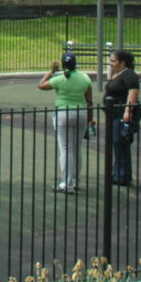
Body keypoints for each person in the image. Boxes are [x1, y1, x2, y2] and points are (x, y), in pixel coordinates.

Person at [38, 51, 94, 193]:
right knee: (77, 148)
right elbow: (89, 101)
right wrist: (90, 119)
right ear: (76, 64)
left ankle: (66, 183)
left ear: (63, 65)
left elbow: (41, 85)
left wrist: (51, 71)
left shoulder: (59, 78)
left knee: (65, 149)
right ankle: (75, 181)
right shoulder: (85, 78)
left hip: (63, 113)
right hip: (81, 113)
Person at [104, 48, 141, 186]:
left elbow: (133, 93)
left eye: (113, 61)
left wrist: (128, 111)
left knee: (121, 143)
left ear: (122, 62)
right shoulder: (119, 74)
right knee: (117, 144)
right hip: (114, 114)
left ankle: (122, 175)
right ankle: (118, 172)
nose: (111, 63)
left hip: (122, 114)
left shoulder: (129, 75)